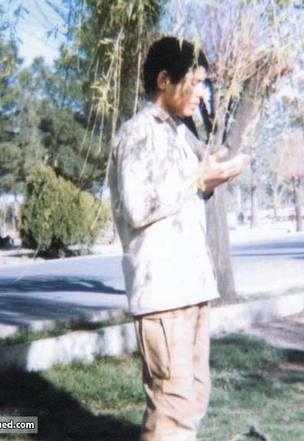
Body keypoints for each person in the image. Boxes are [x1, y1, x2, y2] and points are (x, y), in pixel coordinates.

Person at [108, 36, 250, 441]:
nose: (202, 92)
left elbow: (183, 197)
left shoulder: (179, 134)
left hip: (191, 288)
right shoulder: (138, 133)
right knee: (172, 408)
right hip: (163, 294)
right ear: (164, 80)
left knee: (193, 399)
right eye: (195, 82)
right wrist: (196, 178)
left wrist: (209, 178)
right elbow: (139, 208)